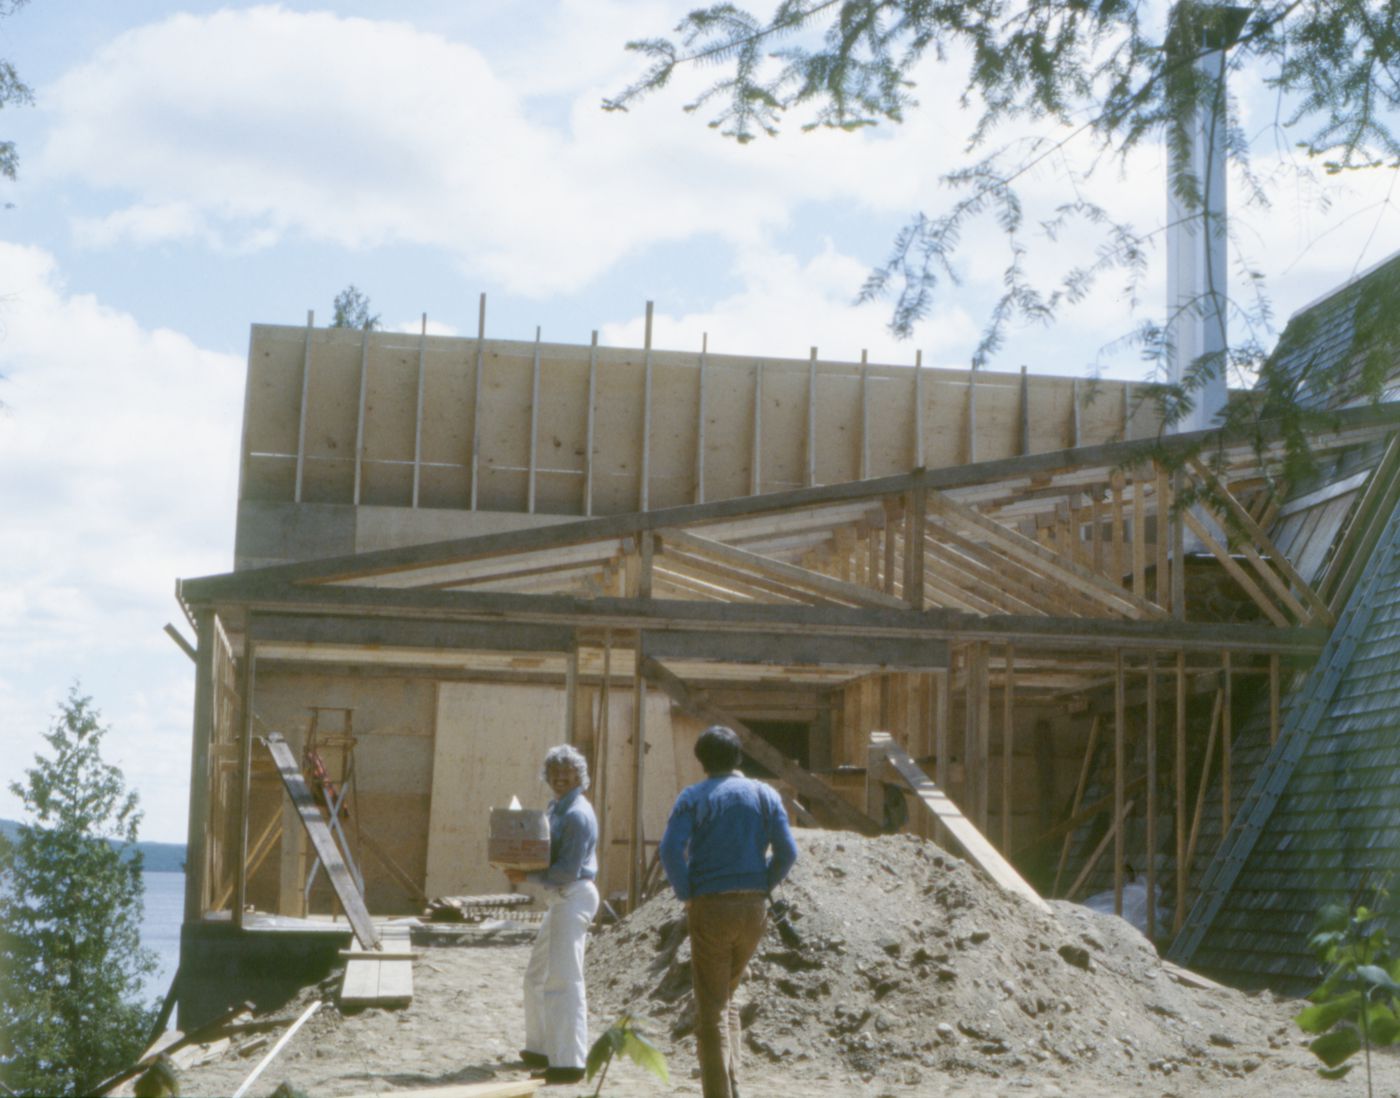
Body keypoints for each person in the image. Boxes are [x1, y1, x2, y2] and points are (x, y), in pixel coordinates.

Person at [659, 725, 798, 1098]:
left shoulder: (692, 797)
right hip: (754, 908)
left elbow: (671, 850)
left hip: (711, 906)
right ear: (739, 757)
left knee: (710, 1013)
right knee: (728, 999)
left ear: (702, 761)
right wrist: (763, 885)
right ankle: (733, 1086)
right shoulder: (765, 795)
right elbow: (788, 852)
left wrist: (686, 893)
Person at [504, 744, 599, 1087]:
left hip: (572, 894)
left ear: (579, 777)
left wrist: (524, 877)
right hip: (559, 898)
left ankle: (569, 1063)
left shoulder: (576, 815)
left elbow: (565, 871)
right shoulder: (556, 807)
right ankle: (541, 1048)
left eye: (568, 773)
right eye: (555, 773)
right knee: (536, 976)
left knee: (564, 980)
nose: (561, 778)